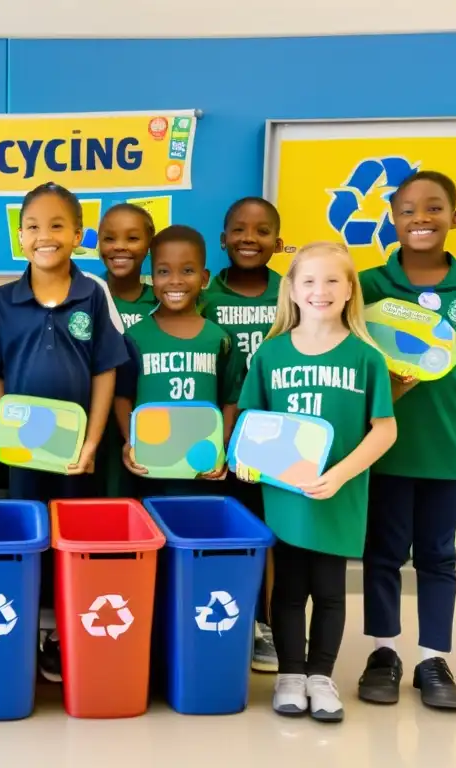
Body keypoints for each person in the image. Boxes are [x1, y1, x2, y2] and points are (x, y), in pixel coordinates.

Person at [357, 170, 456, 711]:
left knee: (439, 556)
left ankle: (431, 659)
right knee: (383, 553)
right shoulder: (368, 284)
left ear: (454, 218)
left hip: (449, 447)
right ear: (392, 221)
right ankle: (383, 653)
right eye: (408, 209)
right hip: (385, 446)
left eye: (434, 207)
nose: (421, 218)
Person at [237, 241, 396, 722]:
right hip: (286, 496)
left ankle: (321, 677)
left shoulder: (367, 358)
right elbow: (250, 417)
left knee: (329, 590)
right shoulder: (271, 353)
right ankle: (290, 674)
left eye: (332, 281)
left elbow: (385, 429)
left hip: (339, 494)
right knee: (286, 590)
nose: (320, 291)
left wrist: (341, 475)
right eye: (308, 281)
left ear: (350, 289)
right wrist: (247, 459)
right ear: (291, 290)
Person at [0, 181, 128, 683]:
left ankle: (67, 632)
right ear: (20, 235)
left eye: (57, 225)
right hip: (23, 451)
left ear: (79, 233)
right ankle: (32, 628)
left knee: (74, 536)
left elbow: (106, 370)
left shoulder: (93, 292)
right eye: (34, 226)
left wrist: (91, 443)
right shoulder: (2, 301)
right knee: (32, 536)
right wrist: (3, 441)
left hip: (76, 452)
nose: (45, 236)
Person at [203, 196, 284, 673]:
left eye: (261, 230)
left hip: (275, 437)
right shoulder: (203, 296)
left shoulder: (293, 292)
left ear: (278, 239)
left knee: (270, 534)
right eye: (238, 229)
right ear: (223, 239)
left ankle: (268, 623)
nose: (249, 239)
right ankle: (224, 617)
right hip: (215, 437)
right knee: (224, 531)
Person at [114, 224, 242, 496]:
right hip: (149, 467)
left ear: (204, 278)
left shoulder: (220, 338)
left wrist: (223, 445)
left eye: (187, 270)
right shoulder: (134, 337)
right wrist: (130, 442)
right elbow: (122, 396)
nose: (175, 281)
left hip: (202, 468)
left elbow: (231, 398)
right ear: (152, 278)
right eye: (163, 271)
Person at [98, 203, 158, 497]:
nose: (119, 247)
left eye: (132, 238)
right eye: (109, 238)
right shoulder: (85, 295)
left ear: (149, 244)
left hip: (151, 431)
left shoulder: (164, 302)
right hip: (96, 430)